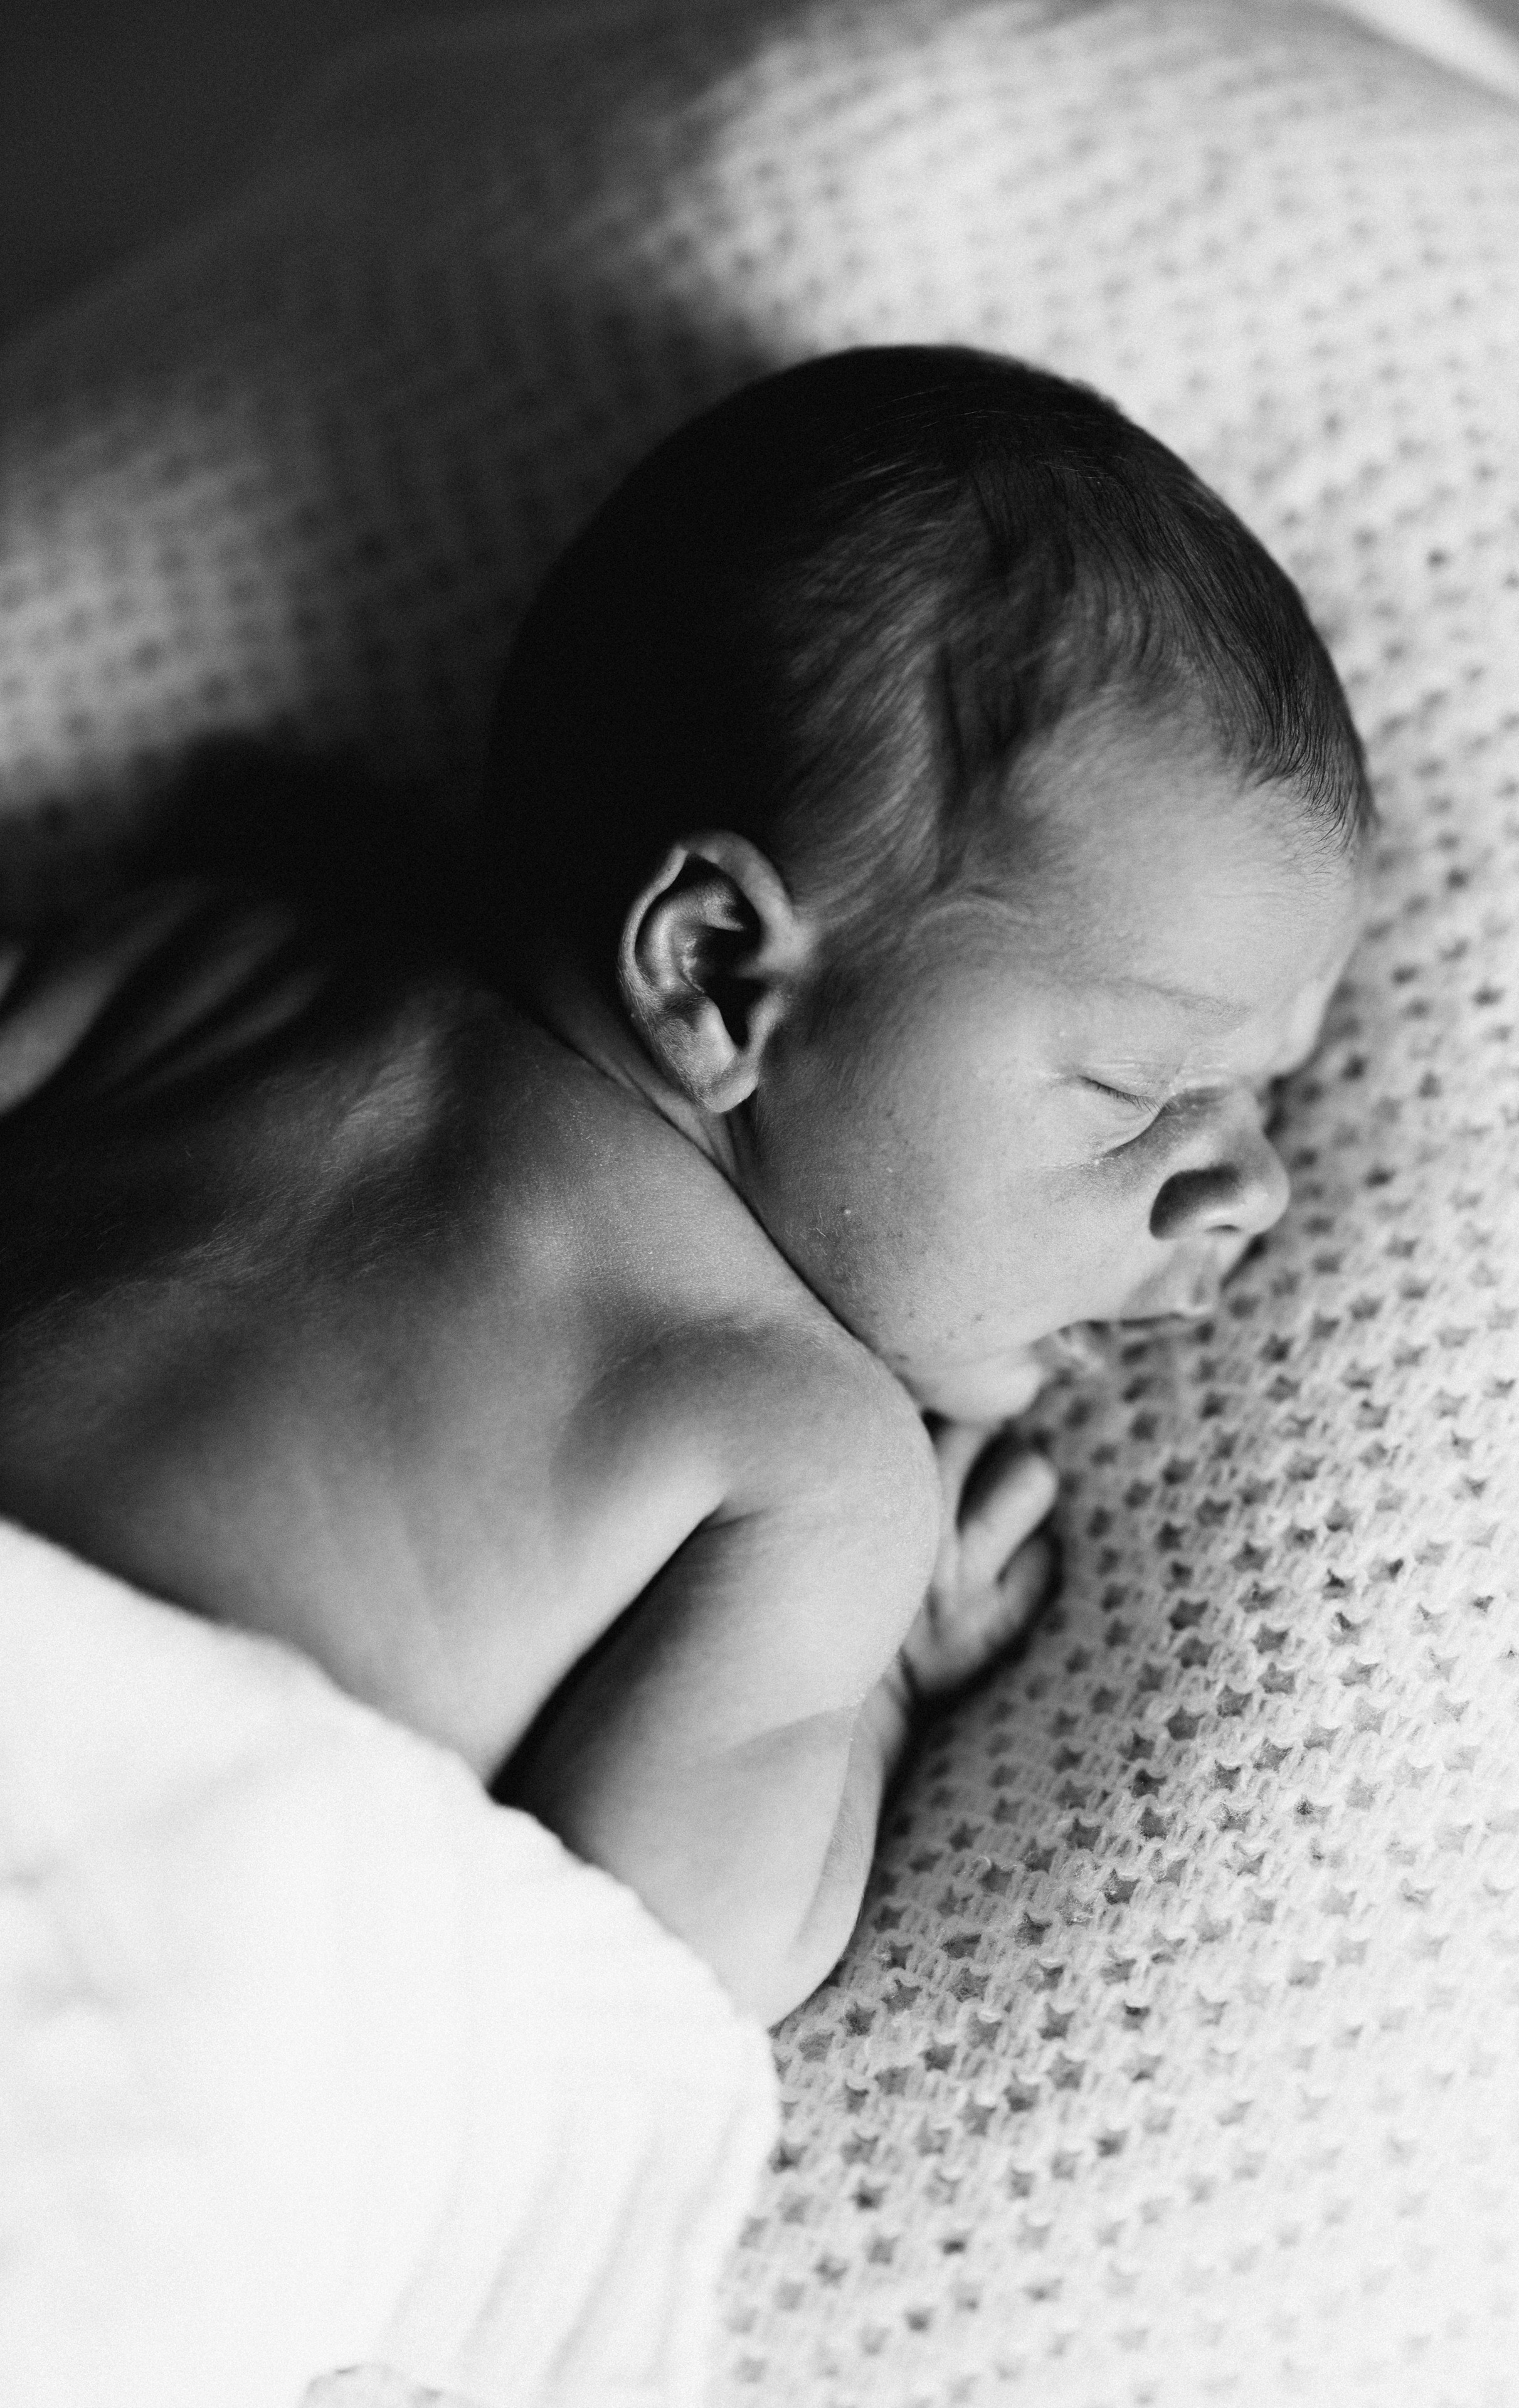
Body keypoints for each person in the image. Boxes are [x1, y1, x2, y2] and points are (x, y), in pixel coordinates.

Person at [0, 348, 1370, 2027]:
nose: (1252, 1188)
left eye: (1263, 1104)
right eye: (1143, 1089)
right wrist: (877, 1691)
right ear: (719, 970)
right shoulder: (808, 1455)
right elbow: (667, 1965)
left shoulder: (224, 968)